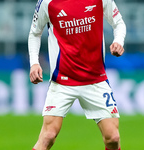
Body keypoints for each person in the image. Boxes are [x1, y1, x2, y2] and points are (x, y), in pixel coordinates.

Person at [28, 0, 126, 149]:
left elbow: (118, 22)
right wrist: (34, 62)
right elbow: (34, 33)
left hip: (95, 80)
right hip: (62, 82)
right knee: (48, 136)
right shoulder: (47, 2)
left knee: (112, 137)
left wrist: (118, 41)